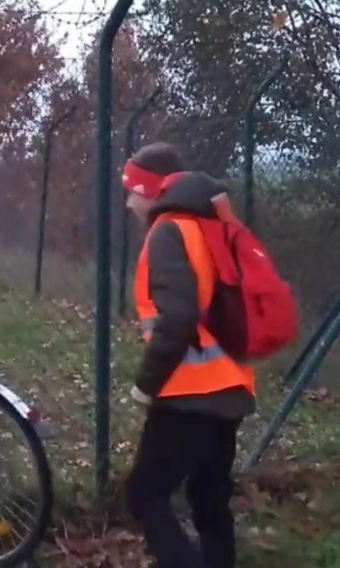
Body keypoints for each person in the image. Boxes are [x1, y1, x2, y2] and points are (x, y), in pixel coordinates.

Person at [121, 142, 256, 568]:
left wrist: (147, 385)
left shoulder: (168, 231)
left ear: (153, 191)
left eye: (134, 191)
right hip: (231, 385)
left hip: (189, 391)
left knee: (145, 493)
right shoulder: (213, 227)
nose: (129, 202)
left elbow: (177, 318)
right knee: (209, 498)